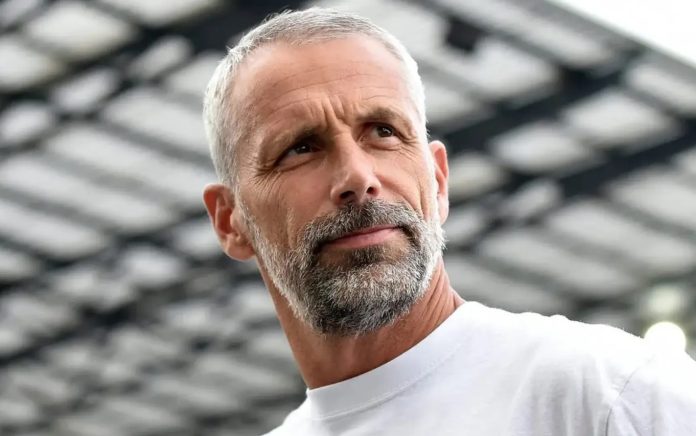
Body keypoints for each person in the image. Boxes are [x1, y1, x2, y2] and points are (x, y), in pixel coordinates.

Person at [201, 7, 696, 436]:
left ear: (437, 180)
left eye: (383, 131)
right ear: (230, 221)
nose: (357, 176)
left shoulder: (609, 394)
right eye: (301, 148)